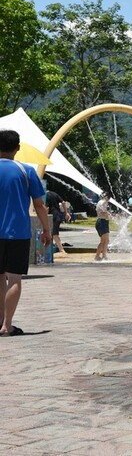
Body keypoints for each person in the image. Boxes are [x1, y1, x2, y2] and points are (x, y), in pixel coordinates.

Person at [0, 129, 52, 337]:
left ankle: (0, 321)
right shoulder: (26, 171)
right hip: (17, 232)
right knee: (14, 278)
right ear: (18, 148)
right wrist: (46, 229)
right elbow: (39, 205)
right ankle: (7, 325)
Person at [45, 189, 69, 254]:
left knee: (55, 234)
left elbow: (47, 208)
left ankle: (62, 250)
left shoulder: (46, 196)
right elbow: (63, 202)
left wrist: (45, 217)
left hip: (52, 216)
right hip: (58, 215)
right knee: (53, 233)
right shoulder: (54, 194)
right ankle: (51, 249)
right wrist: (66, 213)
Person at [95, 192, 112, 261]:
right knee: (104, 240)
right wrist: (110, 214)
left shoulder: (100, 202)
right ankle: (97, 256)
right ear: (107, 197)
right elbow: (102, 212)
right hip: (102, 221)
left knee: (106, 240)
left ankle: (104, 255)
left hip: (103, 221)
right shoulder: (103, 202)